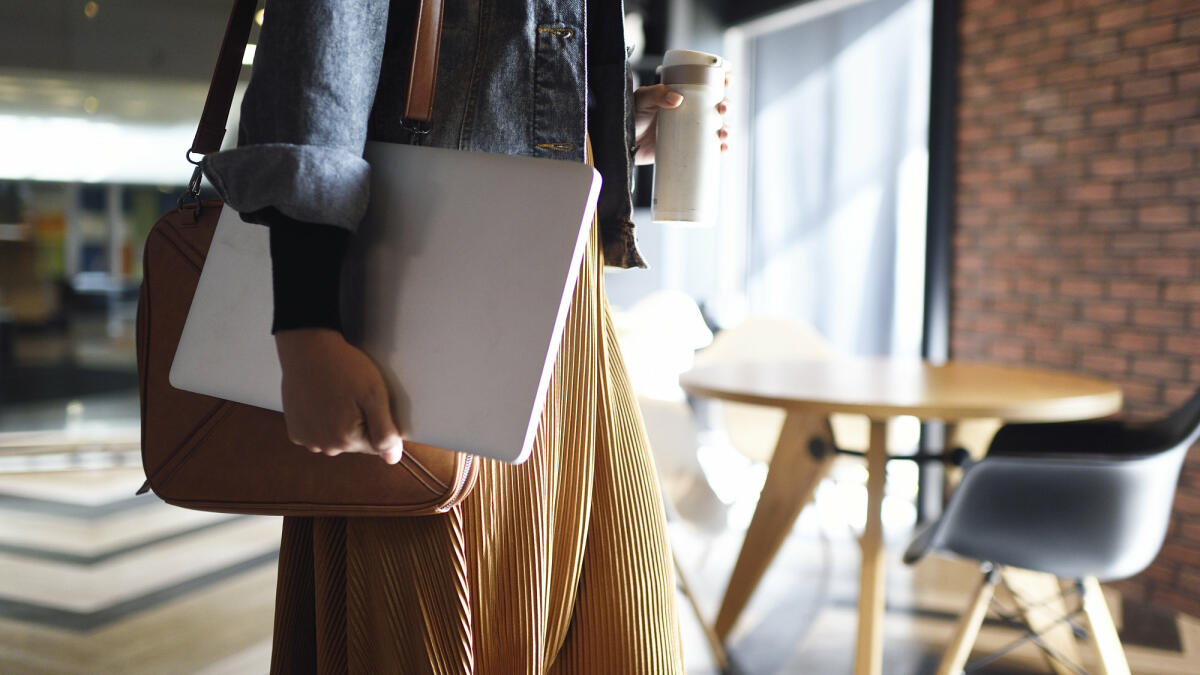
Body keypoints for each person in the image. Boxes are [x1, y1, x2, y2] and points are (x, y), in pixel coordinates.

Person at [200, 0, 728, 671]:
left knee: (624, 636)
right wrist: (307, 320)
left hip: (564, 293)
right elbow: (322, 44)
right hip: (433, 287)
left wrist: (613, 122)